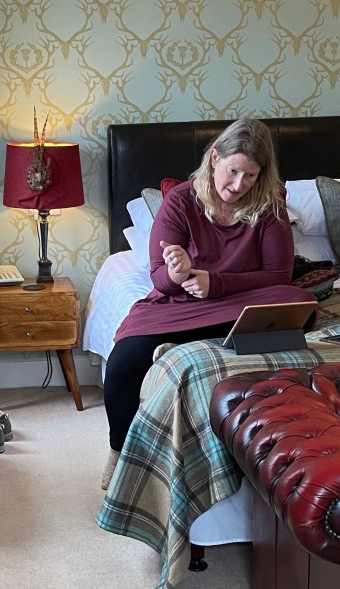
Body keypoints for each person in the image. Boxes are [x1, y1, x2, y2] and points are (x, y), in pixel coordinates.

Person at [101, 118, 318, 488]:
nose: (238, 185)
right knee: (123, 362)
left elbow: (278, 277)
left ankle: (189, 340)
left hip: (241, 299)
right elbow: (159, 280)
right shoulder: (180, 200)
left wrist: (215, 282)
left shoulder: (270, 206)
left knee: (299, 301)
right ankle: (119, 453)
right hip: (180, 304)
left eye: (250, 176)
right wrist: (179, 273)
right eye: (233, 171)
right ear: (215, 158)